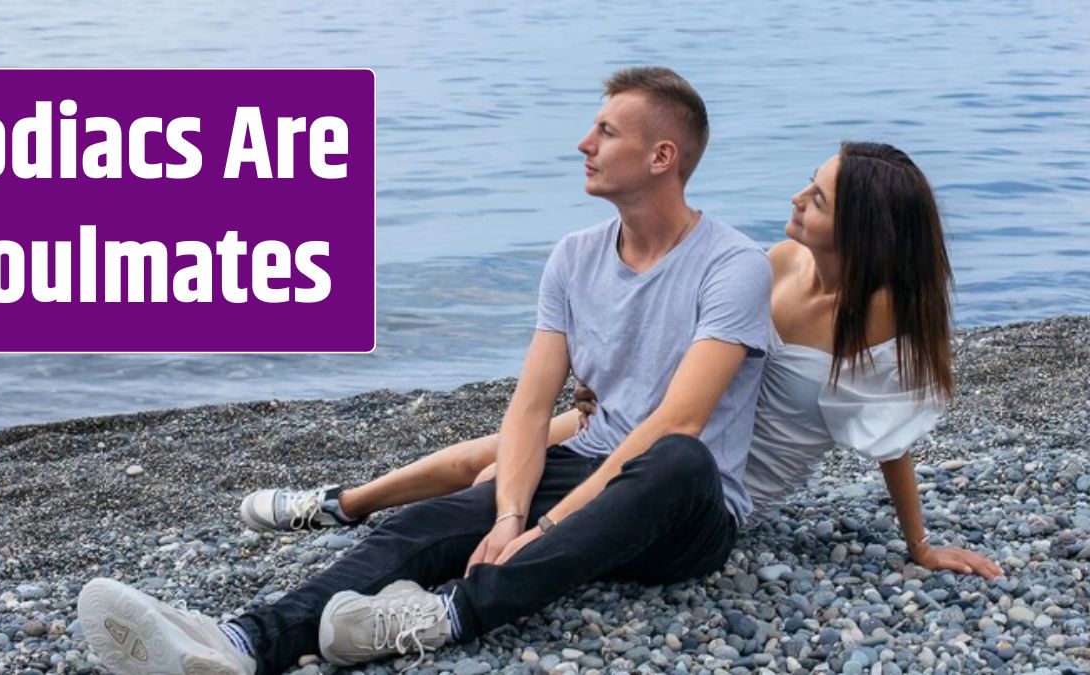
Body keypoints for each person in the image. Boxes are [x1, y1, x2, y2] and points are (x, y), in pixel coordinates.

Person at [78, 66, 774, 675]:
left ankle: (447, 616)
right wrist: (506, 514)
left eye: (605, 131)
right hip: (591, 465)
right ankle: (243, 642)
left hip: (681, 509)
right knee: (426, 523)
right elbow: (531, 408)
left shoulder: (731, 264)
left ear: (662, 156)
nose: (583, 144)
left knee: (679, 456)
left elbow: (676, 421)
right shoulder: (573, 255)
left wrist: (549, 523)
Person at [242, 142, 1004, 580]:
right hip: (662, 412)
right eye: (809, 183)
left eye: (820, 198)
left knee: (501, 482)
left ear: (862, 231)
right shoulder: (774, 264)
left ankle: (422, 556)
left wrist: (919, 544)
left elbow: (891, 434)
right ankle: (341, 502)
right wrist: (608, 379)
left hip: (709, 472)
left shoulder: (882, 319)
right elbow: (701, 348)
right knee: (507, 449)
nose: (797, 197)